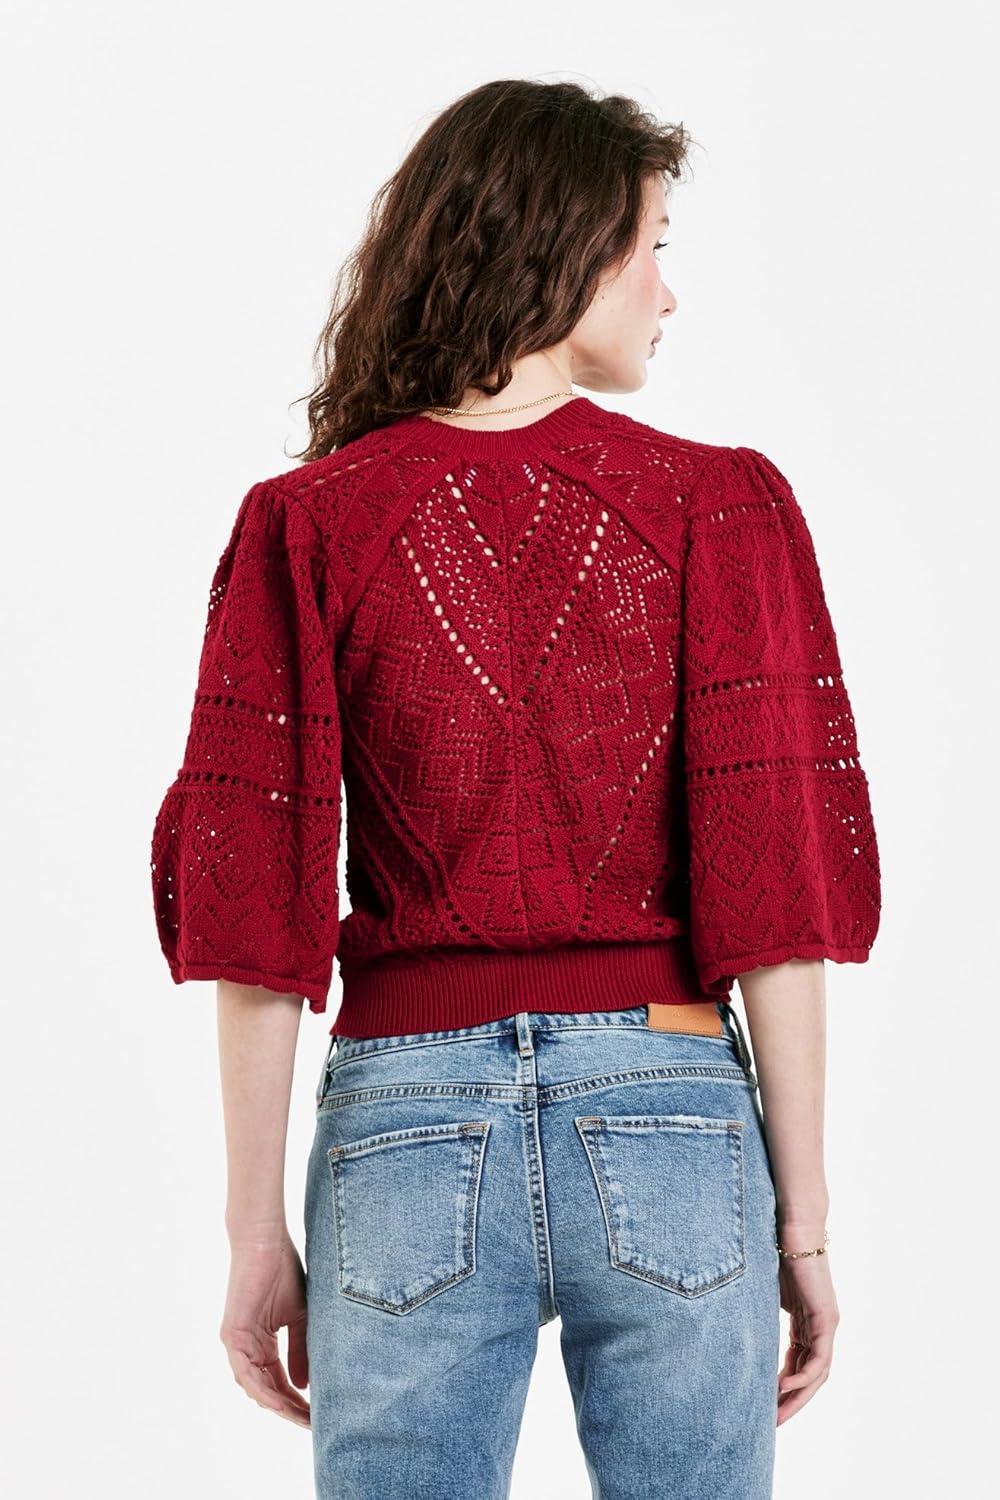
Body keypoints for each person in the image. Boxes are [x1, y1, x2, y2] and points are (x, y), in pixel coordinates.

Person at [149, 79, 881, 1500]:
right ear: (571, 246)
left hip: (404, 1124)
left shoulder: (309, 522)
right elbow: (775, 897)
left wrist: (253, 1235)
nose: (669, 292)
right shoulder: (717, 505)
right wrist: (803, 1228)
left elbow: (258, 915)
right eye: (655, 247)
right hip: (670, 1108)